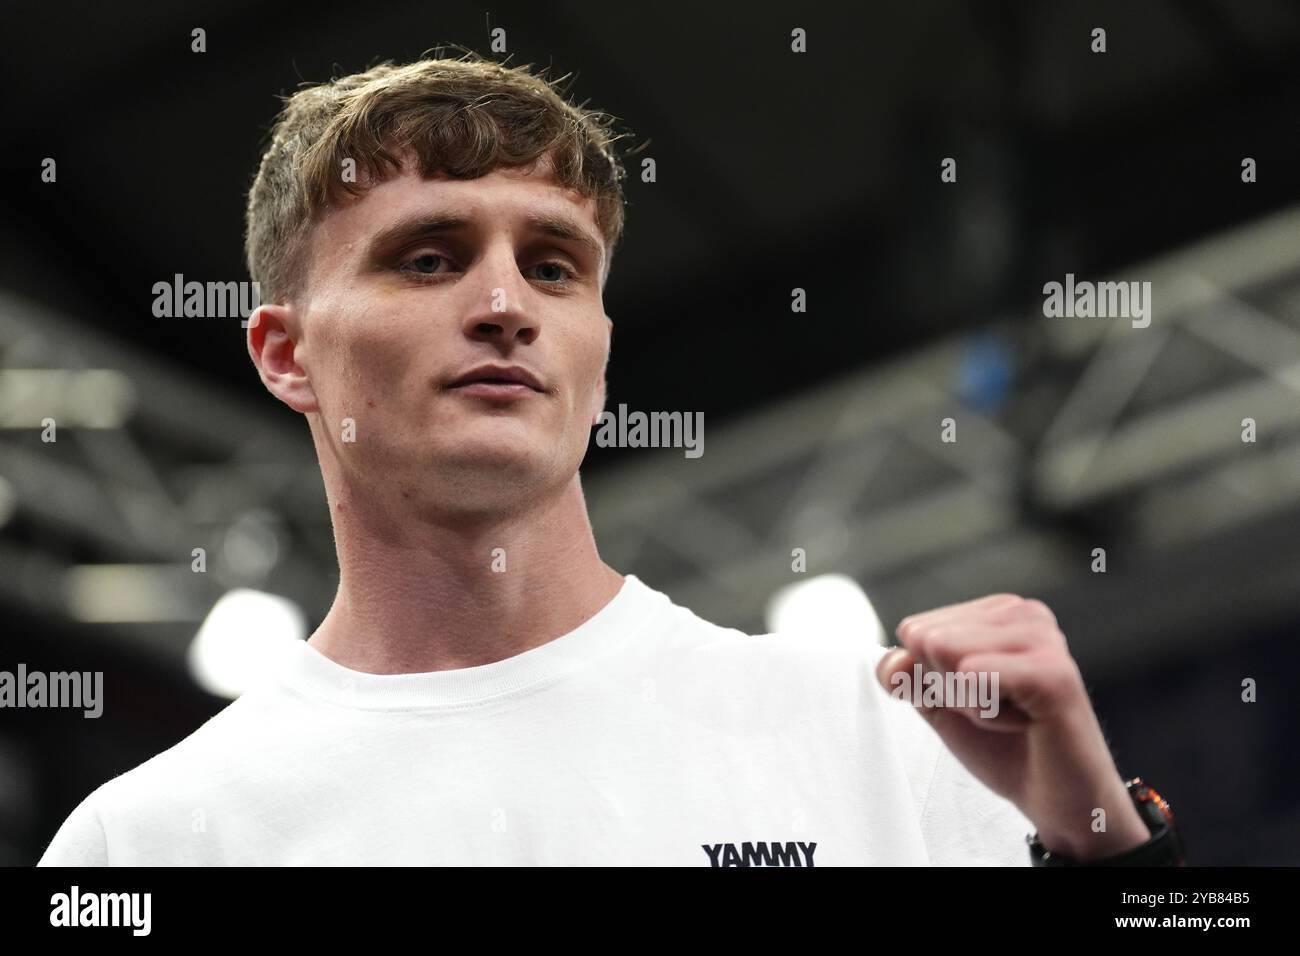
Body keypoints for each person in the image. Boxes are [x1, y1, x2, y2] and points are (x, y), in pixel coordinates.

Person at [38, 53, 1180, 867]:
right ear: (287, 354)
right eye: (428, 258)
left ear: (598, 348)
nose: (503, 305)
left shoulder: (884, 733)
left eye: (551, 265)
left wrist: (1110, 855)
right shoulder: (143, 844)